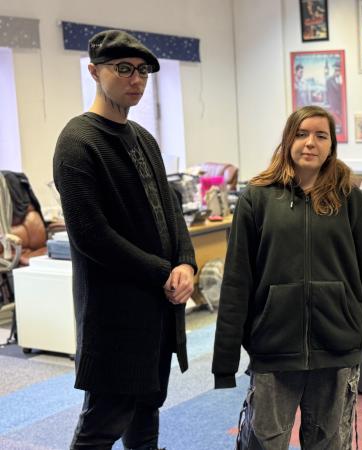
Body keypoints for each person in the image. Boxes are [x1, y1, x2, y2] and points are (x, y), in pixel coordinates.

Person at [212, 105, 362, 449]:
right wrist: (224, 362)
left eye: (321, 135)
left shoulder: (349, 199)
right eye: (302, 133)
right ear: (288, 140)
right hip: (273, 348)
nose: (311, 143)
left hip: (336, 349)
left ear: (331, 145)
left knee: (328, 443)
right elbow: (236, 284)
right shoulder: (256, 199)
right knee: (264, 442)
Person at [52, 30, 197, 450]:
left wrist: (186, 262)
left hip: (157, 308)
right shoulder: (78, 142)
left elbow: (171, 212)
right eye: (124, 69)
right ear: (94, 71)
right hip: (115, 313)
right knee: (105, 421)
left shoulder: (145, 139)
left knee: (147, 409)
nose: (136, 79)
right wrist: (164, 272)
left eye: (143, 72)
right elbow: (91, 236)